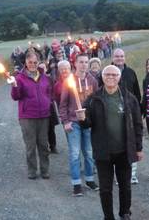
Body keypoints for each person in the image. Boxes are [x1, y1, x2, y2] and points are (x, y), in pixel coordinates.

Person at [76, 65, 143, 220]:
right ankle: (108, 217)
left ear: (119, 77)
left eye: (114, 74)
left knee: (125, 186)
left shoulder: (129, 98)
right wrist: (82, 119)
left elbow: (138, 124)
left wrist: (138, 148)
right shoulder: (94, 99)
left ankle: (125, 213)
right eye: (107, 74)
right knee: (105, 189)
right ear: (102, 77)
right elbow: (87, 124)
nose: (111, 77)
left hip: (124, 151)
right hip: (103, 152)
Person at [59, 53, 99, 196]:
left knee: (89, 153)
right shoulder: (69, 81)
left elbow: (96, 103)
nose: (84, 65)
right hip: (73, 123)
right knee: (75, 154)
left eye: (86, 62)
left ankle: (89, 179)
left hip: (87, 123)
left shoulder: (93, 81)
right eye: (81, 62)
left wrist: (95, 120)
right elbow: (62, 104)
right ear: (75, 64)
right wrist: (65, 121)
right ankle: (76, 183)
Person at [11, 51, 52, 180]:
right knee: (30, 146)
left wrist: (48, 103)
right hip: (27, 117)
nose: (33, 64)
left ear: (39, 62)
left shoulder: (45, 77)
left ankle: (45, 170)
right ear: (26, 63)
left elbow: (49, 93)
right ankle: (32, 170)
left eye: (35, 62)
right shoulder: (19, 78)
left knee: (44, 145)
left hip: (44, 116)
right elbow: (15, 96)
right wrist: (14, 86)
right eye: (30, 62)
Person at [110, 48, 141, 184]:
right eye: (117, 56)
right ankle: (118, 175)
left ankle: (132, 174)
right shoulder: (107, 72)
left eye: (122, 56)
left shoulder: (130, 73)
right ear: (113, 57)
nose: (119, 59)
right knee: (117, 145)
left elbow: (137, 94)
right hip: (113, 114)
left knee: (132, 143)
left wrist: (139, 112)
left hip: (130, 113)